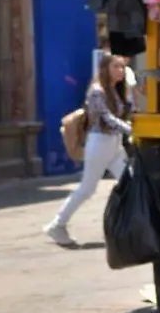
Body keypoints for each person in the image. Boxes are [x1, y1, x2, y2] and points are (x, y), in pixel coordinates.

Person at [45, 53, 132, 246]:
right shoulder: (97, 91)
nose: (121, 70)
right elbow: (106, 118)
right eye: (116, 66)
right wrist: (131, 129)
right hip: (100, 143)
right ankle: (57, 225)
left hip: (114, 144)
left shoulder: (115, 90)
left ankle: (131, 227)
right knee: (87, 188)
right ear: (105, 69)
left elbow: (120, 116)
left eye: (122, 67)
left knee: (130, 183)